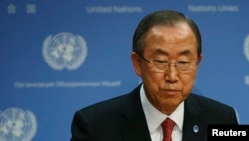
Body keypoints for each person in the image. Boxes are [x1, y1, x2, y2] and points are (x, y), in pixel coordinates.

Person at [70, 10, 238, 141]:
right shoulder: (94, 126)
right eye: (160, 61)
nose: (172, 76)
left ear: (197, 63)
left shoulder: (223, 119)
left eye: (183, 62)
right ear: (137, 63)